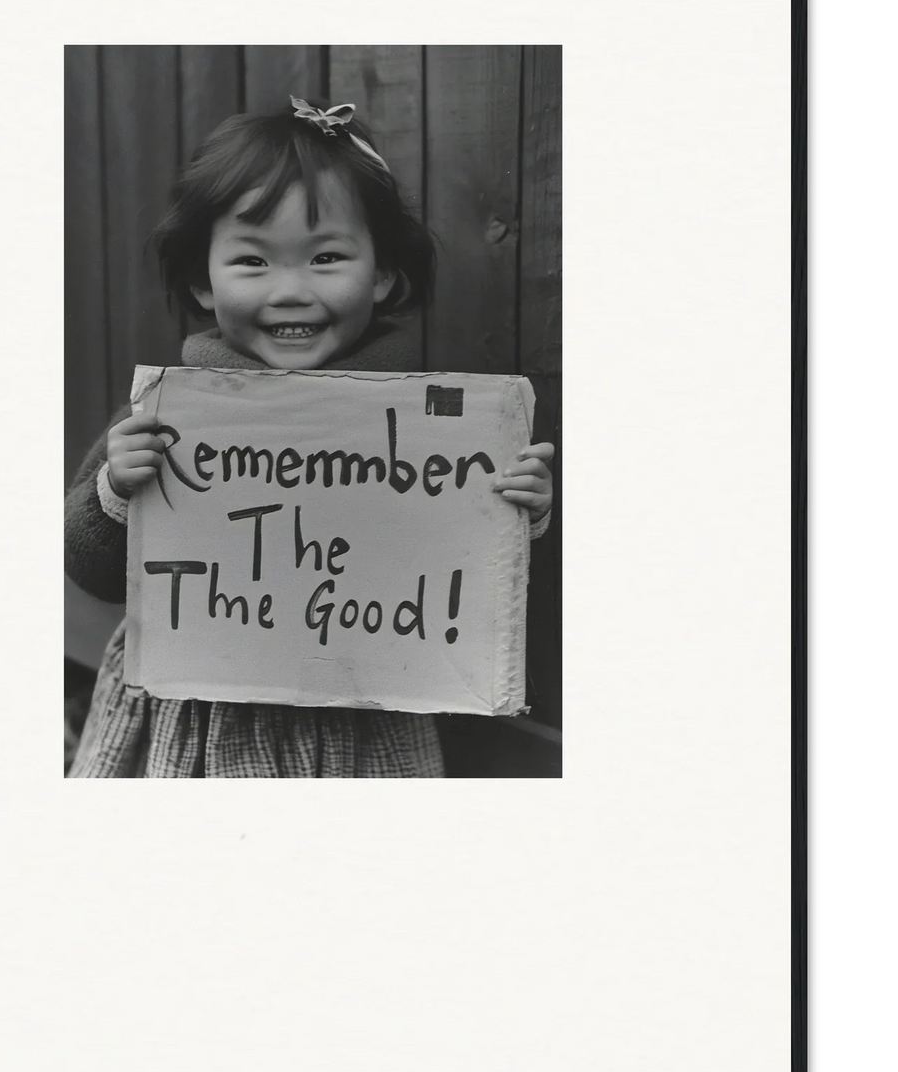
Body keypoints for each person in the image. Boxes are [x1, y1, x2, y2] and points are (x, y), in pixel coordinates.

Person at [65, 97, 554, 777]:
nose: (291, 290)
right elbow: (89, 568)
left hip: (364, 715)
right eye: (253, 262)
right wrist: (115, 488)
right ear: (202, 283)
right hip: (201, 713)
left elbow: (458, 565)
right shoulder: (163, 419)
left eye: (325, 257)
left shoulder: (427, 435)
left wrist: (515, 508)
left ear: (381, 273)